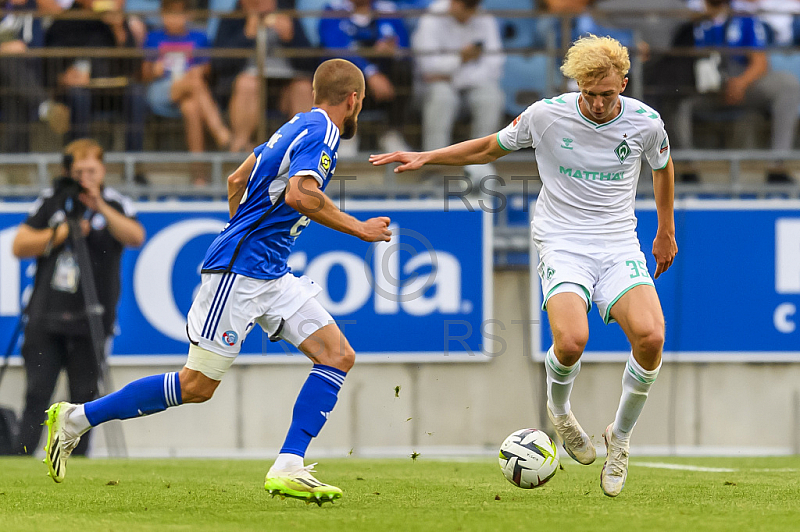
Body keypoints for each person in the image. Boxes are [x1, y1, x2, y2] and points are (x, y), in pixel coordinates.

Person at [43, 59, 392, 504]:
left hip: (270, 271)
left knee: (337, 354)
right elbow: (300, 194)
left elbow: (236, 178)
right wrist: (359, 228)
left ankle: (289, 464)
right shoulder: (323, 134)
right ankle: (76, 418)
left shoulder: (292, 127)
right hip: (241, 272)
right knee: (196, 386)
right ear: (355, 99)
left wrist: (245, 230)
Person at [372, 35, 677, 497]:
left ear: (624, 85)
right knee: (572, 342)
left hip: (618, 242)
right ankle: (559, 411)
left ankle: (620, 438)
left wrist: (665, 230)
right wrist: (428, 156)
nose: (597, 104)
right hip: (562, 239)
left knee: (652, 338)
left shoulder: (646, 122)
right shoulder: (546, 115)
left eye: (608, 94)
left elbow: (663, 167)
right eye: (589, 94)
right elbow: (489, 148)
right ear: (577, 86)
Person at [12, 138, 145, 457]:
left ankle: (76, 461)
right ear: (69, 171)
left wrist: (98, 206)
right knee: (36, 394)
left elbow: (135, 236)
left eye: (92, 170)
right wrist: (63, 233)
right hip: (47, 317)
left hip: (92, 318)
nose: (85, 177)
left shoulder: (115, 203)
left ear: (102, 171)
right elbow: (20, 245)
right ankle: (21, 458)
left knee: (84, 398)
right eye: (79, 170)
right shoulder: (53, 201)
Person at [672, 0, 800, 183]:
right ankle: (687, 169)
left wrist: (740, 83)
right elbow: (681, 66)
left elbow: (760, 62)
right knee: (674, 96)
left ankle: (777, 165)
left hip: (744, 85)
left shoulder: (744, 18)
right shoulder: (691, 22)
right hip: (703, 89)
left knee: (787, 85)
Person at [212, 0, 315, 153]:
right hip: (245, 84)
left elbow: (310, 63)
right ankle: (240, 149)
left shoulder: (289, 17)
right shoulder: (230, 20)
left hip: (286, 85)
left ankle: (305, 153)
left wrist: (291, 38)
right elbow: (219, 64)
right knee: (248, 84)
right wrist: (247, 36)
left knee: (303, 88)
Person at [45, 0, 146, 151]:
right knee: (78, 95)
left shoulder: (117, 21)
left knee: (136, 93)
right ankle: (78, 158)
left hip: (113, 90)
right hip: (80, 92)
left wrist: (118, 30)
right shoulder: (65, 21)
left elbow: (133, 65)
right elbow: (51, 66)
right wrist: (64, 76)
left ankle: (135, 165)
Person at [143, 0, 231, 167]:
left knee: (191, 107)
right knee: (195, 81)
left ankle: (198, 174)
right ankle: (221, 134)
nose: (173, 19)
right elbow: (144, 73)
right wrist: (154, 70)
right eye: (169, 14)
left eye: (178, 14)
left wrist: (200, 70)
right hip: (161, 90)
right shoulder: (153, 38)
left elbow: (207, 69)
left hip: (192, 93)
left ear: (188, 15)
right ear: (162, 16)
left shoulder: (199, 37)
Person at [412, 0, 505, 154]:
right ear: (453, 2)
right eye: (466, 5)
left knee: (491, 98)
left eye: (473, 6)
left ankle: (480, 162)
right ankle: (436, 163)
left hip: (467, 82)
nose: (470, 11)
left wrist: (454, 74)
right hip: (432, 87)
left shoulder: (484, 17)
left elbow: (494, 65)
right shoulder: (432, 17)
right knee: (442, 97)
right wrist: (460, 58)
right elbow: (427, 66)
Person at [319, 0, 412, 152]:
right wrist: (370, 72)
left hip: (383, 85)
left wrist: (394, 51)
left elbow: (404, 47)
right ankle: (344, 132)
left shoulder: (387, 9)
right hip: (352, 82)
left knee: (403, 69)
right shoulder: (333, 8)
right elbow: (335, 48)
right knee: (339, 71)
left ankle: (391, 133)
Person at [0, 0, 70, 152]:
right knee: (8, 61)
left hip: (23, 79)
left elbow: (60, 11)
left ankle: (16, 165)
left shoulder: (33, 4)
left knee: (16, 99)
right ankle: (43, 105)